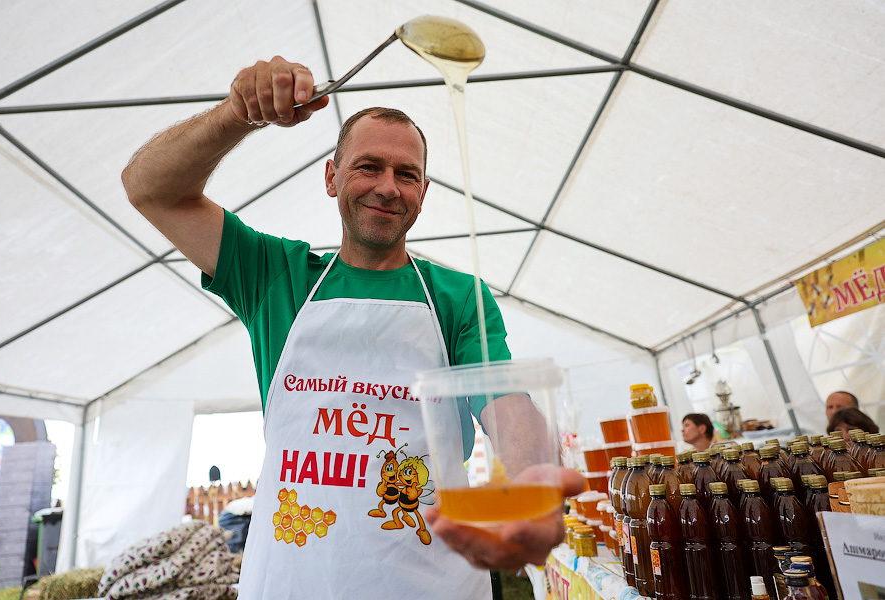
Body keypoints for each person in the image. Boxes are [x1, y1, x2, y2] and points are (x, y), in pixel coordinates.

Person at [122, 56, 584, 599]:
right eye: (369, 167)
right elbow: (149, 188)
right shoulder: (275, 277)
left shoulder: (457, 298)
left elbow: (506, 402)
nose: (388, 187)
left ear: (423, 193)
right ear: (331, 176)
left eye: (406, 174)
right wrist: (238, 113)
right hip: (292, 584)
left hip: (431, 586)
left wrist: (532, 477)